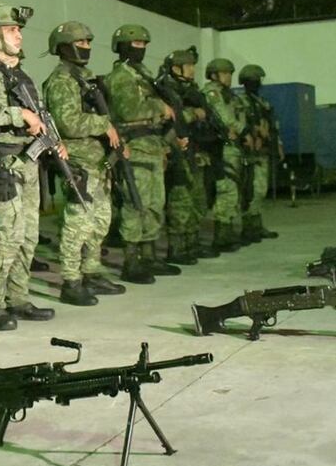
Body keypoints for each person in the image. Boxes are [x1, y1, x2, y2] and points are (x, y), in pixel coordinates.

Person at [0, 4, 56, 330]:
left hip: (28, 160)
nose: (18, 34)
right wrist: (22, 117)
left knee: (28, 236)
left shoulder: (19, 72)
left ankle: (18, 298)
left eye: (19, 30)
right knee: (4, 237)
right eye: (11, 29)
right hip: (4, 161)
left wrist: (53, 137)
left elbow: (39, 111)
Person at [42, 21, 129, 303]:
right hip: (78, 160)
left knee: (100, 220)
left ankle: (91, 270)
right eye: (80, 42)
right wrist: (103, 124)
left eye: (88, 43)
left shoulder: (86, 77)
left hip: (98, 160)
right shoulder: (62, 80)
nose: (86, 47)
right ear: (64, 46)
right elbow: (67, 123)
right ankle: (71, 280)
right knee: (78, 222)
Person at [100, 24, 182, 280]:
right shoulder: (122, 76)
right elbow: (128, 110)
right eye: (136, 45)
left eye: (144, 45)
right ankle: (131, 261)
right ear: (123, 47)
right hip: (134, 148)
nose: (142, 49)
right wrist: (160, 107)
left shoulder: (142, 73)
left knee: (155, 204)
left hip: (152, 146)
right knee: (136, 205)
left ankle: (149, 256)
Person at [155, 48, 216, 264]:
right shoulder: (164, 89)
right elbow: (167, 120)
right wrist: (193, 114)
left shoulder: (190, 90)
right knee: (180, 200)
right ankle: (177, 247)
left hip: (193, 150)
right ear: (176, 68)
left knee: (196, 199)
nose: (192, 70)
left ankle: (192, 242)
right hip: (174, 149)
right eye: (188, 66)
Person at [201, 58, 248, 253]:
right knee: (225, 189)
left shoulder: (229, 95)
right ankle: (220, 237)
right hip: (221, 148)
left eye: (230, 73)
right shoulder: (212, 93)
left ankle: (227, 233)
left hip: (232, 147)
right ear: (214, 75)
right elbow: (225, 119)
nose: (229, 77)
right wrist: (240, 129)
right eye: (225, 73)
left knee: (233, 190)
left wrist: (240, 130)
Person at [237, 64, 281, 241]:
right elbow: (240, 123)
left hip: (263, 150)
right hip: (249, 152)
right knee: (251, 190)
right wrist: (255, 130)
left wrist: (278, 145)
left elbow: (272, 125)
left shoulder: (262, 102)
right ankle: (249, 228)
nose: (257, 83)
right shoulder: (241, 101)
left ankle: (256, 225)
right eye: (254, 80)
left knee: (261, 190)